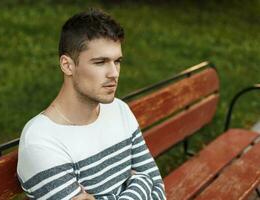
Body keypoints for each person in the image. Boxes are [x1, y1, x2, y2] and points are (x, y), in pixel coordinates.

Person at [17, 8, 166, 200]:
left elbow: (159, 190)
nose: (114, 73)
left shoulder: (119, 109)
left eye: (117, 61)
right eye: (100, 62)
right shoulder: (42, 141)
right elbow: (149, 181)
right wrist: (141, 183)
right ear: (67, 65)